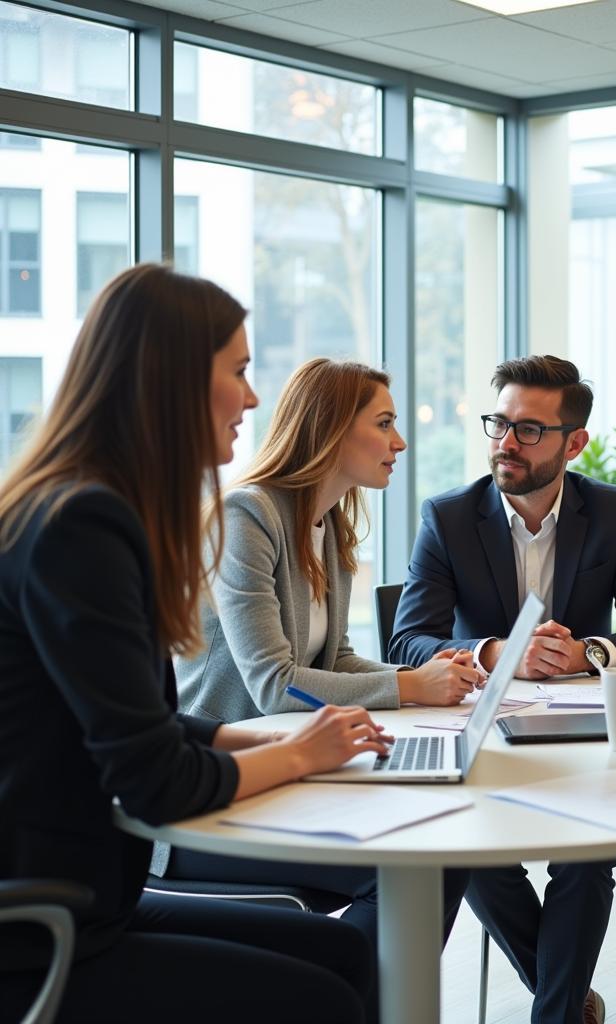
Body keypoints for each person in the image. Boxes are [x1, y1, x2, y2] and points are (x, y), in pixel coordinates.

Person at [0, 264, 390, 1024]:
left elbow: (127, 717)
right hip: (46, 927)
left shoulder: (86, 505)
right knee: (323, 1001)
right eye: (239, 372)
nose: (251, 397)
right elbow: (154, 780)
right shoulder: (81, 524)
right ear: (172, 380)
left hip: (93, 901)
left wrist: (247, 737)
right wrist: (300, 755)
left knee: (345, 956)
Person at [390, 354, 616, 1024]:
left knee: (588, 856)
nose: (504, 442)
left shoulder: (609, 512)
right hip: (486, 733)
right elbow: (406, 643)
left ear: (573, 443)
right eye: (498, 423)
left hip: (583, 733)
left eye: (527, 430)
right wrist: (495, 652)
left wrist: (589, 651)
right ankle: (567, 1009)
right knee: (471, 854)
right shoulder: (450, 517)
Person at [169, 359, 475, 997]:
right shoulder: (247, 516)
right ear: (332, 431)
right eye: (384, 423)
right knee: (415, 870)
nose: (401, 442)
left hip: (290, 772)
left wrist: (416, 673)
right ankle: (327, 1005)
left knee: (444, 852)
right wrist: (408, 688)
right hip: (214, 797)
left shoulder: (329, 523)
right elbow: (275, 686)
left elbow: (331, 662)